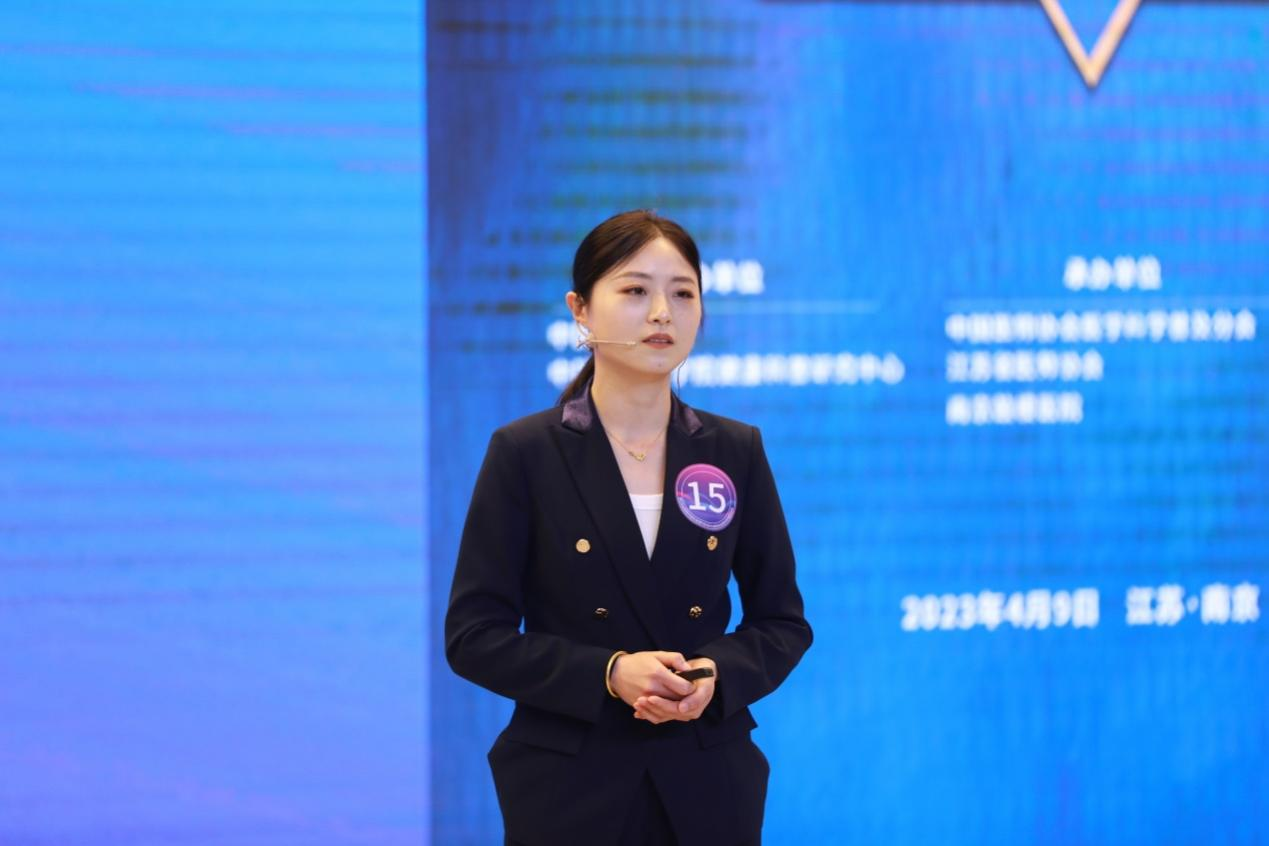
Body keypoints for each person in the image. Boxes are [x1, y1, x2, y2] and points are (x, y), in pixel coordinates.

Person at [445, 209, 813, 846]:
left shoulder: (734, 450)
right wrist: (609, 672)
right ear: (581, 311)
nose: (662, 313)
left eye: (683, 294)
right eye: (636, 290)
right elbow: (474, 636)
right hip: (568, 785)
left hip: (707, 777)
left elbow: (782, 622)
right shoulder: (526, 452)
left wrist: (715, 675)